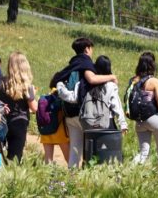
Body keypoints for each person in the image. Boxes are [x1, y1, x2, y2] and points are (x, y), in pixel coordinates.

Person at [50, 37, 117, 168]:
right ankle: (88, 177)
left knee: (75, 151)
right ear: (87, 49)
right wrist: (112, 77)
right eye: (91, 48)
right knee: (90, 148)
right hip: (85, 114)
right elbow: (91, 79)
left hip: (69, 114)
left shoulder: (71, 65)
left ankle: (71, 180)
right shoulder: (86, 63)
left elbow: (55, 81)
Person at [57, 55, 128, 133]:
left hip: (88, 124)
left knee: (90, 145)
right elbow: (116, 105)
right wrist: (123, 124)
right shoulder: (110, 86)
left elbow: (72, 97)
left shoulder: (82, 84)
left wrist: (60, 85)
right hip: (107, 122)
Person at [130, 52, 158, 169]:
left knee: (143, 151)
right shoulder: (154, 81)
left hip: (139, 121)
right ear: (152, 64)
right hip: (153, 118)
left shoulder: (134, 80)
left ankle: (131, 170)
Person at [0, 52, 38, 162]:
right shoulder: (27, 86)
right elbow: (34, 108)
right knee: (15, 157)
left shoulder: (1, 82)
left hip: (2, 121)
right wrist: (33, 95)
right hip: (19, 122)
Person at [39, 88, 70, 165]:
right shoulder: (62, 93)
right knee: (69, 158)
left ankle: (47, 176)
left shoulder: (48, 96)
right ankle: (73, 175)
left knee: (48, 159)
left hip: (45, 129)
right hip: (59, 131)